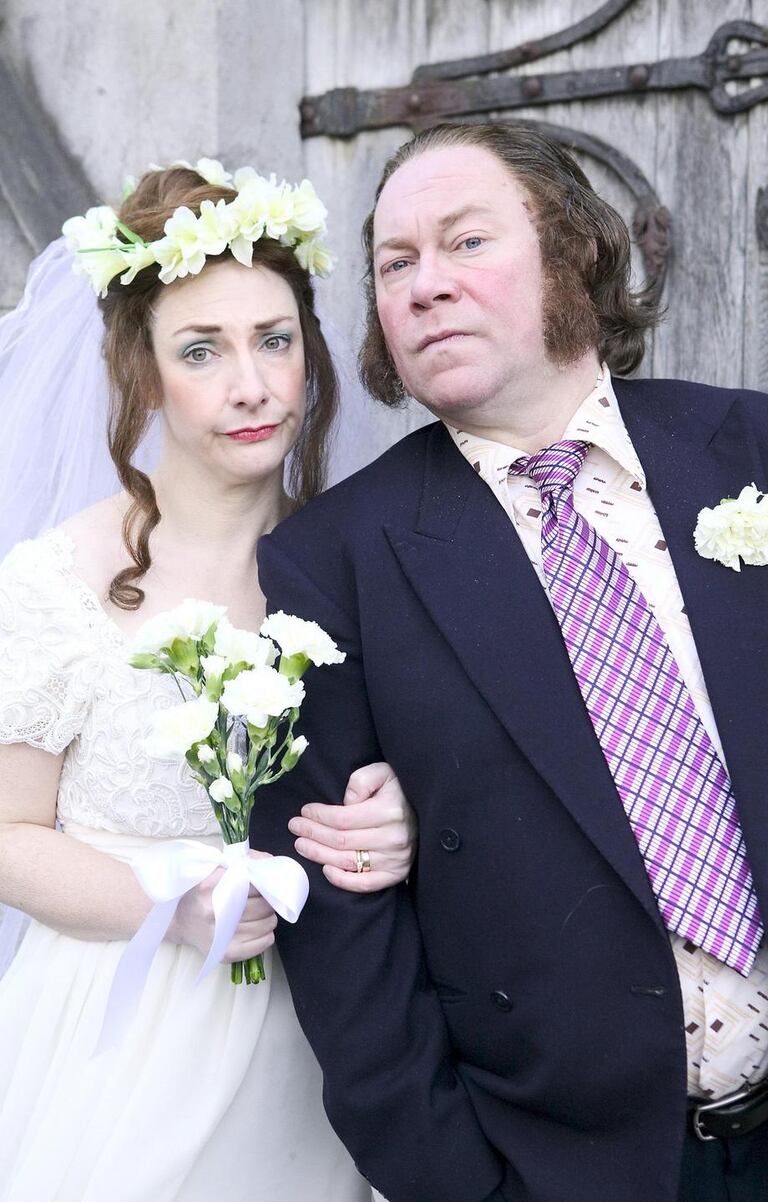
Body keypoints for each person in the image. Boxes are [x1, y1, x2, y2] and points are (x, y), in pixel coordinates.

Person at [254, 122, 768, 1202]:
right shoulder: (332, 562)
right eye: (395, 264)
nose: (424, 285)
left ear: (574, 253)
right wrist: (462, 1184)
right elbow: (340, 926)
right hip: (568, 1168)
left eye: (465, 242)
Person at [0, 160, 417, 1202]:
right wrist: (172, 906)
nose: (251, 386)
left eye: (274, 340)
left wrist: (399, 814)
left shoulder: (368, 564)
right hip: (123, 1030)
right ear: (141, 374)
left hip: (328, 1037)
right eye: (201, 350)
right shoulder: (56, 584)